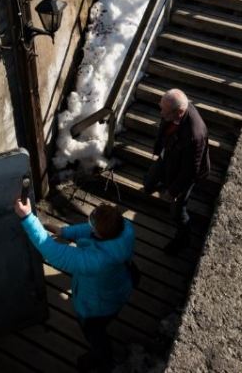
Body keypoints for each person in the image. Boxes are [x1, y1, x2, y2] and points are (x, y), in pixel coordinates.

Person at [15, 200, 135, 372]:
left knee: (95, 334)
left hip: (97, 307)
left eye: (93, 226)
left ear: (100, 234)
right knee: (103, 325)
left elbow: (54, 253)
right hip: (118, 289)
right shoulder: (124, 228)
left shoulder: (97, 261)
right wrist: (65, 232)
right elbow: (92, 230)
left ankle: (103, 360)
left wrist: (27, 217)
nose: (89, 227)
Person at [142, 88, 210, 255]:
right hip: (168, 156)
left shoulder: (194, 135)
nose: (160, 113)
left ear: (179, 112)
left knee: (178, 211)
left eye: (164, 111)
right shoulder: (176, 111)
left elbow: (190, 171)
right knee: (148, 183)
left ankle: (183, 239)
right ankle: (158, 185)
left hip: (183, 172)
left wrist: (173, 191)